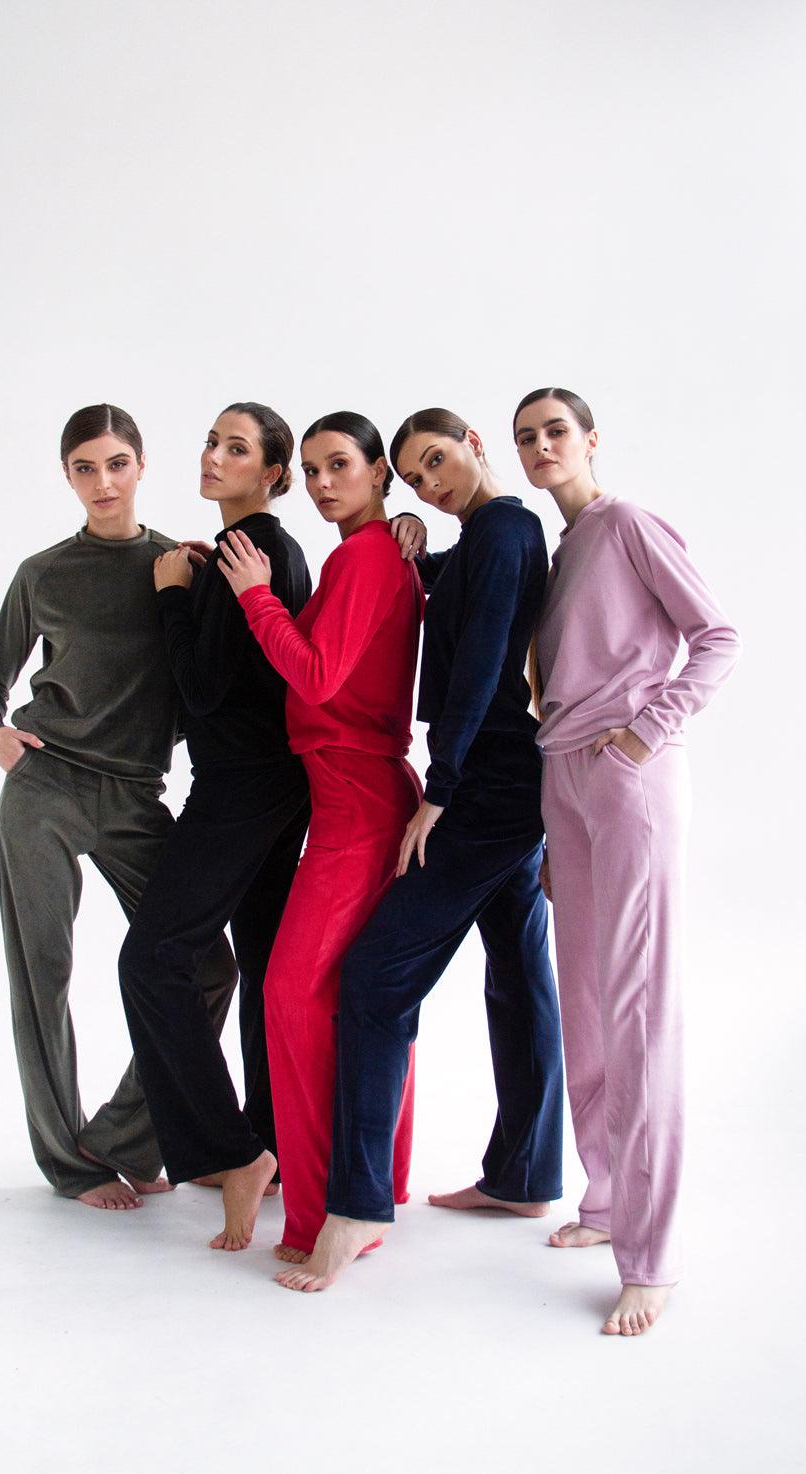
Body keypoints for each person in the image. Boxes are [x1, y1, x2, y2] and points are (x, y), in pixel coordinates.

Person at [279, 408, 564, 1292]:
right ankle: (525, 1175)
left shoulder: (506, 529)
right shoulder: (486, 538)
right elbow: (458, 594)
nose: (431, 485)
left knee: (375, 979)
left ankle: (359, 1205)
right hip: (509, 785)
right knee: (517, 975)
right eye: (415, 477)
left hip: (486, 791)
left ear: (475, 442)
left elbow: (479, 664)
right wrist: (416, 545)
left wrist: (439, 791)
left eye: (437, 461)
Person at [0, 403, 237, 1209]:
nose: (103, 482)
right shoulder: (42, 572)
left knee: (207, 966)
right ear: (68, 476)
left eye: (117, 463)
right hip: (44, 789)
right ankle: (71, 1164)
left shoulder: (177, 565)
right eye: (85, 468)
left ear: (141, 466)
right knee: (42, 975)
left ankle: (124, 1138)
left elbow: (201, 684)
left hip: (134, 798)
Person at [514, 386, 740, 1336]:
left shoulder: (628, 523)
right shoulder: (560, 550)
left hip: (627, 773)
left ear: (591, 439)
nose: (541, 447)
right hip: (562, 776)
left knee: (639, 1007)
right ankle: (607, 1200)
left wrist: (649, 732)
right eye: (526, 438)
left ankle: (653, 1258)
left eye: (555, 431)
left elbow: (717, 636)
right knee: (587, 1004)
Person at [217, 411, 424, 1264]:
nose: (322, 483)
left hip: (358, 801)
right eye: (309, 470)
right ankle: (378, 1186)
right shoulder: (374, 554)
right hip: (355, 796)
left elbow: (316, 673)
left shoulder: (366, 556)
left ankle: (318, 1217)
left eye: (339, 464)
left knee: (291, 995)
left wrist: (255, 596)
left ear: (379, 472)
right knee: (353, 997)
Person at [118, 402, 311, 1253]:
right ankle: (273, 1146)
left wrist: (172, 596)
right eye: (211, 442)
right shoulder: (268, 549)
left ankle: (232, 1153)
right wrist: (203, 586)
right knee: (262, 963)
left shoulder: (247, 551)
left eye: (236, 449)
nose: (213, 457)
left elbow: (200, 692)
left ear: (271, 474)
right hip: (278, 781)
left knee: (153, 957)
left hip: (241, 785)